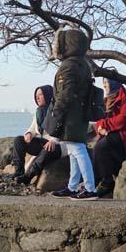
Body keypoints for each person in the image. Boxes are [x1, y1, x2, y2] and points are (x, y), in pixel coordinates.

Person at [49, 29, 98, 200]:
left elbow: (65, 93)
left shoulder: (68, 66)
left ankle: (90, 188)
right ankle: (72, 186)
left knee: (77, 150)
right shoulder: (82, 63)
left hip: (71, 116)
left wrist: (57, 110)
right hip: (80, 114)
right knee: (74, 150)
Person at [92, 78, 126, 197]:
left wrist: (104, 125)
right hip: (113, 133)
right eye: (104, 83)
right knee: (97, 148)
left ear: (113, 82)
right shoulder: (107, 100)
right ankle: (97, 181)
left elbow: (124, 119)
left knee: (100, 147)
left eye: (106, 82)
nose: (105, 86)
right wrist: (100, 126)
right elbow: (99, 119)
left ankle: (105, 182)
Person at [12, 85, 66, 185]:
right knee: (18, 140)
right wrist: (29, 134)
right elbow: (33, 128)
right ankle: (18, 172)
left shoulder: (57, 109)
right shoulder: (38, 111)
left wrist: (54, 140)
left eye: (40, 94)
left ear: (48, 95)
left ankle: (28, 177)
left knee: (47, 149)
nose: (37, 97)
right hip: (42, 143)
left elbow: (63, 129)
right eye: (36, 95)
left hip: (57, 145)